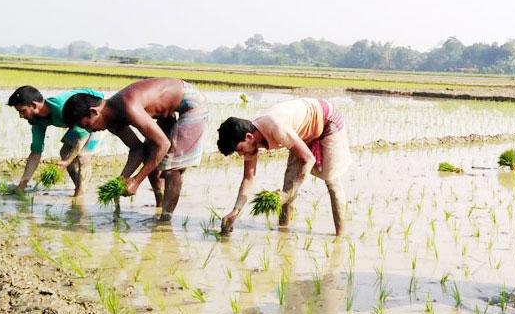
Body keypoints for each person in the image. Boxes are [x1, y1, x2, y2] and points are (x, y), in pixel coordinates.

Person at [63, 78, 208, 220]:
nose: (89, 131)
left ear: (94, 112)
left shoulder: (128, 106)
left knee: (172, 169)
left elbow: (163, 144)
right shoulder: (111, 122)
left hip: (191, 102)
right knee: (150, 157)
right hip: (167, 111)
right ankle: (159, 205)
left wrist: (136, 181)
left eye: (87, 125)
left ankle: (165, 221)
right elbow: (137, 149)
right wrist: (121, 180)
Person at [217, 98, 350, 236]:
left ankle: (341, 237)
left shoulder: (277, 128)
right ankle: (283, 232)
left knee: (331, 179)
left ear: (249, 137)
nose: (240, 154)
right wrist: (236, 211)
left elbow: (309, 159)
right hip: (301, 133)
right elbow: (248, 178)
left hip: (327, 120)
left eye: (239, 149)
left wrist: (287, 194)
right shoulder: (250, 143)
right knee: (289, 184)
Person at [7, 86, 104, 197]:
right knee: (65, 153)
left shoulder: (61, 108)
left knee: (83, 156)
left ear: (34, 105)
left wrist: (67, 161)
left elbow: (83, 135)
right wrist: (21, 186)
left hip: (96, 112)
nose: (21, 116)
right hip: (79, 122)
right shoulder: (37, 121)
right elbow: (35, 153)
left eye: (23, 111)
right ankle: (79, 189)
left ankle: (79, 197)